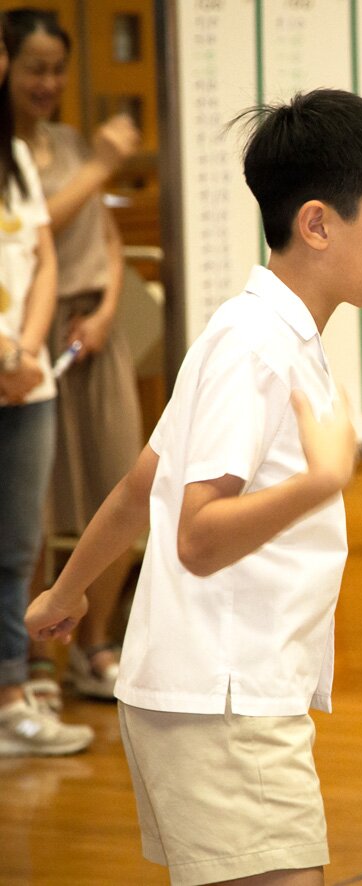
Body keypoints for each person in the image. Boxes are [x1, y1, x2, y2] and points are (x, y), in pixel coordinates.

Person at [26, 88, 362, 885]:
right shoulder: (254, 346)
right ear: (317, 223)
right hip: (221, 702)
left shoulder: (263, 332)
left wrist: (66, 590)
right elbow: (197, 535)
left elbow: (145, 480)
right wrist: (320, 483)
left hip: (219, 693)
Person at [5, 7, 143, 706]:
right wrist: (102, 165)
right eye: (35, 67)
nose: (48, 82)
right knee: (33, 506)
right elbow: (34, 230)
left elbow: (107, 239)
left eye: (58, 69)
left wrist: (110, 308)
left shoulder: (67, 139)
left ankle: (95, 649)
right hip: (34, 338)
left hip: (94, 330)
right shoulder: (18, 153)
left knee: (123, 485)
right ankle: (31, 660)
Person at [0, 11, 94, 757]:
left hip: (24, 381)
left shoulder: (17, 159)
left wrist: (25, 350)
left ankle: (11, 699)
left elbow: (42, 261)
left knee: (17, 544)